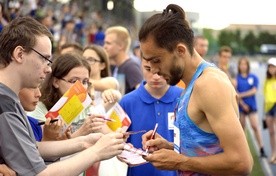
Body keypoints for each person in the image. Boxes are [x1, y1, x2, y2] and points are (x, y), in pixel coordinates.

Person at [0, 16, 124, 175]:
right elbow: (38, 174)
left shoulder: (10, 99)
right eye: (45, 59)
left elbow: (32, 148)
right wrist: (96, 152)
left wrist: (84, 142)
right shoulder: (4, 104)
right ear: (19, 54)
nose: (48, 69)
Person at [138, 4, 253, 175]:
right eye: (148, 62)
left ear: (180, 51)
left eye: (156, 60)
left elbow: (242, 162)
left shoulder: (209, 84)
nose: (153, 70)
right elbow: (209, 147)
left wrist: (180, 161)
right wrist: (170, 147)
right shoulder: (192, 82)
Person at [119, 59, 183, 176]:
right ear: (141, 66)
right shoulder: (127, 102)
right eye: (148, 69)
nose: (156, 76)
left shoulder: (184, 98)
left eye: (161, 70)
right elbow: (116, 143)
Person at [235, 57, 266, 158]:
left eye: (245, 64)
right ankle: (244, 151)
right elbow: (235, 93)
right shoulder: (237, 78)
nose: (243, 66)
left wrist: (241, 95)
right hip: (241, 107)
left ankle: (261, 148)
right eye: (241, 64)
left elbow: (254, 90)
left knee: (255, 127)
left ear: (248, 66)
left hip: (252, 106)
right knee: (242, 129)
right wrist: (243, 104)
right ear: (239, 66)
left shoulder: (253, 77)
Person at [104, 26, 143, 95]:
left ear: (120, 46)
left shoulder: (131, 66)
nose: (105, 46)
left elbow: (142, 94)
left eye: (108, 43)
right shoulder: (118, 66)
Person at [264, 57, 276, 163]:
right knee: (271, 132)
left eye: (273, 66)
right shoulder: (267, 80)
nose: (271, 69)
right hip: (268, 109)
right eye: (270, 67)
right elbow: (265, 96)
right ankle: (273, 153)